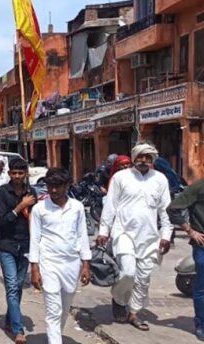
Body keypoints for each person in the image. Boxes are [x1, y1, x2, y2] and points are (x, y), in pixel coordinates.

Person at [97, 143, 173, 331]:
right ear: (134, 157)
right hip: (123, 233)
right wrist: (104, 231)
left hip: (149, 237)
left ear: (153, 160)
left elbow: (166, 209)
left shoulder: (160, 179)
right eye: (140, 156)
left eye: (148, 157)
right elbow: (110, 206)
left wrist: (166, 235)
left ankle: (134, 313)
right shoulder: (121, 177)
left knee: (144, 278)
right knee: (128, 273)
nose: (144, 161)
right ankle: (119, 298)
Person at [29, 168, 91, 344]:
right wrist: (34, 268)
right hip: (49, 263)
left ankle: (56, 337)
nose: (53, 190)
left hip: (71, 264)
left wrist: (86, 264)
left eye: (58, 186)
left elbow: (82, 236)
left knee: (64, 309)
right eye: (50, 186)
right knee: (53, 310)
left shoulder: (77, 207)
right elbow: (35, 240)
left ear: (66, 186)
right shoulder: (40, 209)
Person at [0, 158, 37, 344]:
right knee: (12, 286)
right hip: (7, 245)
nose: (18, 177)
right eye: (14, 173)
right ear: (9, 173)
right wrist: (20, 206)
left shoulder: (31, 192)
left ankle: (9, 319)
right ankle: (19, 330)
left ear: (26, 174)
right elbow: (3, 221)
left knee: (18, 285)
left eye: (21, 173)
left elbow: (36, 221)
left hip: (26, 245)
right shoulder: (3, 192)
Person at [167, 176, 204, 341]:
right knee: (202, 287)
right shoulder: (197, 187)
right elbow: (173, 209)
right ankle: (201, 325)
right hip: (202, 245)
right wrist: (191, 231)